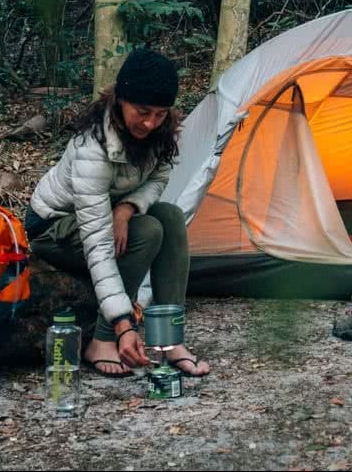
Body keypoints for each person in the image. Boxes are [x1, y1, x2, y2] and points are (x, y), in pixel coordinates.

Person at [24, 48, 211, 378]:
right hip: (53, 227)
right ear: (121, 100)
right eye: (142, 112)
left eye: (160, 114)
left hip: (108, 212)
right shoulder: (92, 148)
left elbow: (159, 177)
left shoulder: (159, 133)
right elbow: (98, 243)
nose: (150, 123)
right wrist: (123, 325)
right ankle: (101, 340)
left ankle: (169, 340)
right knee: (148, 231)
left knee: (169, 217)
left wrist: (126, 208)